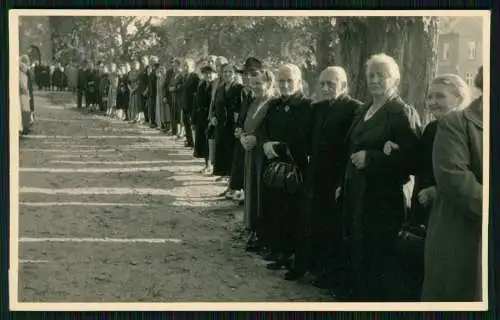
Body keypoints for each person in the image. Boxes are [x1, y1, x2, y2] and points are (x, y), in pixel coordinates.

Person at [339, 53, 421, 301]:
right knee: (357, 245)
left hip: (382, 199)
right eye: (371, 75)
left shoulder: (401, 112)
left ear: (394, 80)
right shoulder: (364, 109)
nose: (374, 80)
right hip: (356, 192)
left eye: (381, 76)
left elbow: (413, 160)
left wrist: (373, 158)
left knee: (377, 253)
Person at [288, 67, 362, 289]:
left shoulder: (354, 109)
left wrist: (342, 180)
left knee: (331, 224)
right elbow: (303, 138)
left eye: (331, 84)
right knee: (309, 219)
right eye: (322, 84)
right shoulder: (317, 108)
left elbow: (353, 145)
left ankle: (327, 273)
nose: (326, 88)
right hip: (315, 172)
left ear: (344, 85)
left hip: (338, 176)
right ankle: (304, 265)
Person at [421, 66, 483, 302]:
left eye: (440, 96)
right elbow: (452, 176)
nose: (433, 101)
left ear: (459, 98)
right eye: (430, 96)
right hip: (450, 215)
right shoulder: (446, 126)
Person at [259, 63, 313, 271]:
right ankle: (279, 252)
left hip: (295, 167)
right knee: (275, 208)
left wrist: (281, 147)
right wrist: (265, 143)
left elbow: (305, 138)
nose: (285, 84)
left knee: (292, 212)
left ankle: (293, 257)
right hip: (273, 165)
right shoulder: (274, 105)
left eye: (289, 80)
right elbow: (264, 129)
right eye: (281, 81)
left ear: (299, 82)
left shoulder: (307, 106)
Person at [212, 63, 246, 191]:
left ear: (234, 74)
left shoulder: (239, 89)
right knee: (224, 154)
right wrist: (214, 116)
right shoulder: (220, 89)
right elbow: (215, 105)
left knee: (233, 155)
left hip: (233, 127)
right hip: (221, 126)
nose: (227, 74)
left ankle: (233, 187)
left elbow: (242, 107)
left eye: (230, 72)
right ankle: (228, 185)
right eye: (225, 72)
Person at [193, 64, 218, 171]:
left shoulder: (216, 87)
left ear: (215, 74)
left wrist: (212, 116)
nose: (208, 75)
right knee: (202, 140)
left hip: (211, 117)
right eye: (206, 73)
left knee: (211, 141)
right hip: (200, 117)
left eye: (211, 73)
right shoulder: (201, 85)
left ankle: (213, 165)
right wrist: (193, 119)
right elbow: (195, 103)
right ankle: (206, 164)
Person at [19, 55, 32, 135]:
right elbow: (23, 84)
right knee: (25, 111)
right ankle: (25, 127)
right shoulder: (22, 72)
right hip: (23, 93)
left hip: (24, 93)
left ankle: (26, 127)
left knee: (25, 110)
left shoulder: (22, 71)